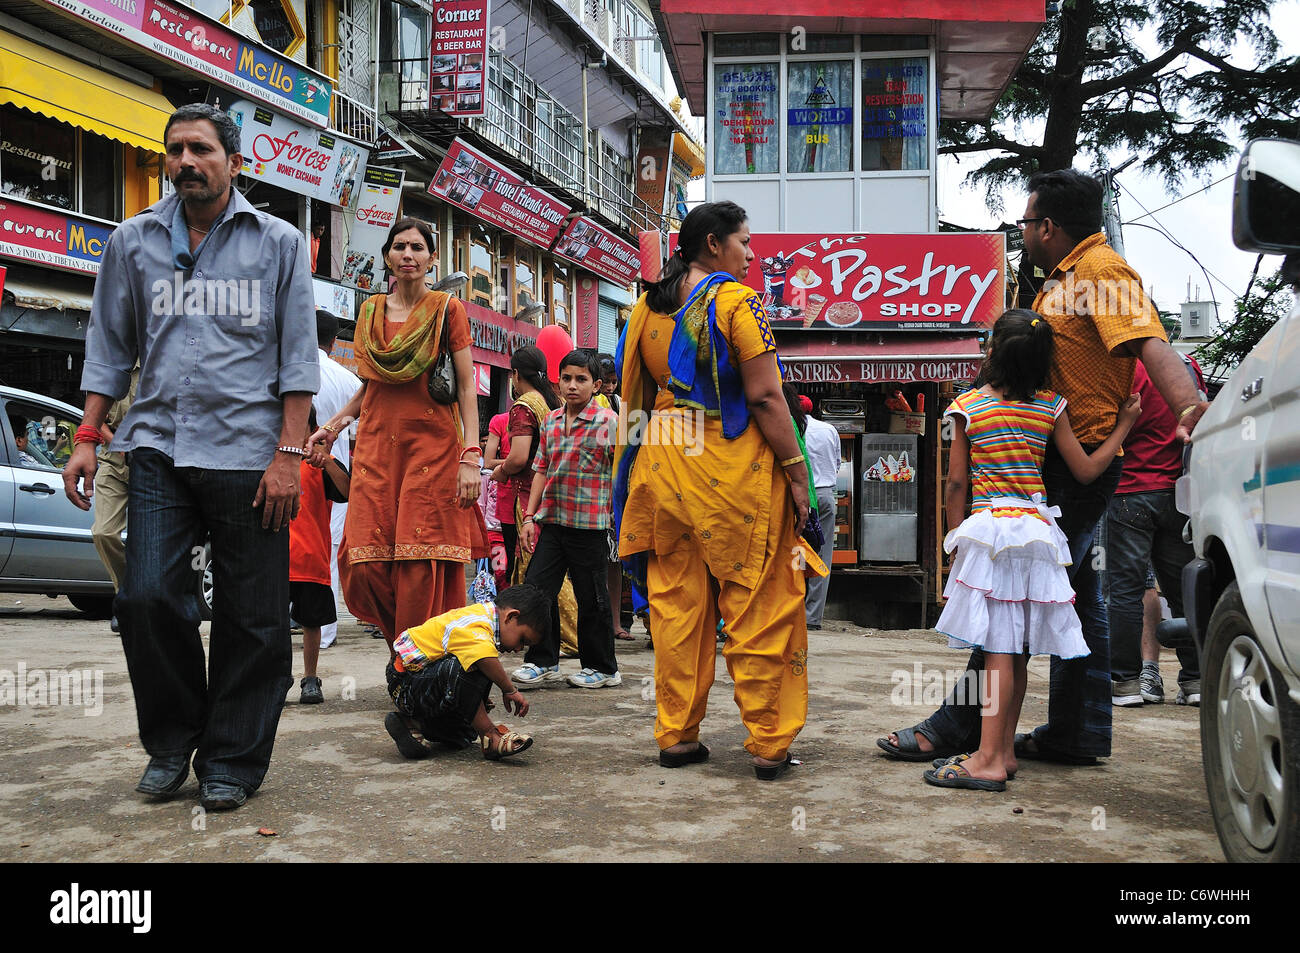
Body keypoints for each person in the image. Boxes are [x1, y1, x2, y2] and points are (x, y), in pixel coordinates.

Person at [879, 168, 1211, 766]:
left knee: (1010, 596)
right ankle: (1075, 734)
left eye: (1027, 222)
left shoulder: (1103, 273)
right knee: (1075, 602)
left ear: (1049, 226)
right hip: (1059, 462)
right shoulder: (1064, 279)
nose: (1023, 231)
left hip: (1075, 467)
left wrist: (1190, 406)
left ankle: (961, 729)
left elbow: (1151, 342)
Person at [65, 102, 319, 811]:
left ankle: (232, 756)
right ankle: (174, 739)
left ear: (234, 163)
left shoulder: (279, 244)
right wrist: (87, 436)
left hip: (250, 456)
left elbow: (297, 358)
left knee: (255, 615)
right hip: (156, 445)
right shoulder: (132, 241)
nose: (185, 161)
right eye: (174, 149)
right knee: (145, 595)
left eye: (201, 149)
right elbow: (110, 349)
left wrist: (290, 454)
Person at [616, 200, 825, 780]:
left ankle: (677, 736)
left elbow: (631, 405)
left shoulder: (644, 310)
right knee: (758, 601)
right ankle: (767, 742)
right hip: (732, 473)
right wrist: (797, 469)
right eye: (745, 243)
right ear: (714, 245)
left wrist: (634, 470)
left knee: (677, 607)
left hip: (661, 466)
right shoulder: (737, 302)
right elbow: (764, 397)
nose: (752, 255)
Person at [923, 310, 1141, 791]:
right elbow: (1086, 472)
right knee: (1016, 652)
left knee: (999, 648)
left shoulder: (968, 407)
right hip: (1040, 534)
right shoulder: (1051, 406)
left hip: (993, 534)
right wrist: (1123, 426)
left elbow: (956, 483)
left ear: (993, 351)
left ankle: (987, 760)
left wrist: (954, 546)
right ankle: (1002, 753)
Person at [307, 218, 488, 652]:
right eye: (400, 247)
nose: (408, 254)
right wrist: (330, 430)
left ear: (431, 258)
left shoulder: (448, 310)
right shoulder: (370, 312)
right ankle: (405, 650)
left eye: (418, 248)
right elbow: (367, 387)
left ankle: (418, 667)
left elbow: (466, 388)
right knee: (364, 562)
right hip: (375, 448)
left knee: (420, 563)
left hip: (434, 448)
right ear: (387, 255)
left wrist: (471, 457)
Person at [513, 349, 622, 689]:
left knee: (593, 598)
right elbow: (541, 470)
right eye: (567, 378)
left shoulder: (609, 423)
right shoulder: (551, 421)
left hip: (590, 525)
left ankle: (603, 668)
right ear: (558, 382)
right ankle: (543, 661)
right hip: (553, 522)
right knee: (537, 590)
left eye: (581, 379)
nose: (573, 385)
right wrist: (529, 517)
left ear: (597, 385)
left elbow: (622, 472)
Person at [1108, 356, 1206, 707]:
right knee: (1183, 590)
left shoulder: (1124, 369)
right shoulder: (1187, 368)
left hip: (1130, 491)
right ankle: (1195, 681)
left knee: (1125, 592)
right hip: (1179, 493)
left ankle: (1126, 683)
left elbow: (1107, 426)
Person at [384, 583, 549, 761]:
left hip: (424, 684)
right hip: (405, 685)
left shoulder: (484, 624)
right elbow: (481, 660)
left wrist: (477, 698)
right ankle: (490, 736)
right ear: (511, 617)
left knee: (465, 734)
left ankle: (413, 724)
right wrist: (509, 689)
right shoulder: (477, 623)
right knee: (473, 664)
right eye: (522, 640)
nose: (518, 649)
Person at [490, 345, 581, 657]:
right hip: (550, 496)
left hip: (528, 498)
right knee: (553, 572)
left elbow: (518, 458)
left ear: (515, 374)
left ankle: (560, 638)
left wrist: (499, 471)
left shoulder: (522, 407)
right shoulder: (546, 402)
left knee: (538, 574)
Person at [290, 410, 350, 704]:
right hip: (275, 562)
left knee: (311, 623)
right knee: (272, 623)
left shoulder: (319, 465)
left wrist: (326, 460)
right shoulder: (273, 461)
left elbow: (348, 490)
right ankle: (276, 676)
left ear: (313, 430)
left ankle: (310, 679)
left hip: (311, 559)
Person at [311, 309, 362, 650]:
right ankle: (324, 630)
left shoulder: (284, 372)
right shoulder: (349, 381)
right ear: (333, 341)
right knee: (326, 553)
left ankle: (294, 616)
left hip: (292, 472)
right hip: (335, 477)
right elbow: (361, 437)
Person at [90, 368, 139, 634]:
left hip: (152, 457)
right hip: (113, 457)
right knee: (103, 532)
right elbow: (94, 416)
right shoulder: (110, 362)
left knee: (146, 541)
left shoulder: (159, 352)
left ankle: (139, 603)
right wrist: (117, 443)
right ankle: (125, 596)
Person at [800, 394, 842, 629]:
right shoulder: (829, 429)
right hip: (825, 495)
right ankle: (813, 617)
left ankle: (793, 610)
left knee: (797, 552)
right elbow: (837, 463)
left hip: (800, 496)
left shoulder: (792, 429)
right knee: (822, 555)